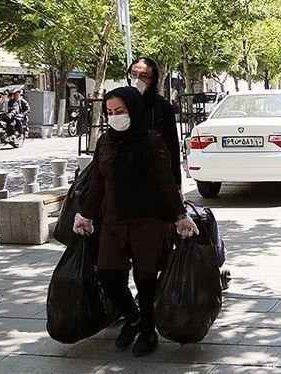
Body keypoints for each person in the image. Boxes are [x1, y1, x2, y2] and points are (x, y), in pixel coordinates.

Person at [72, 87, 200, 355]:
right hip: (114, 221)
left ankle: (148, 331)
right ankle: (133, 318)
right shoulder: (105, 142)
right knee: (107, 273)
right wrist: (86, 215)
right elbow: (97, 183)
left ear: (134, 110)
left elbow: (166, 183)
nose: (114, 117)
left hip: (149, 221)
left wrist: (181, 216)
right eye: (109, 112)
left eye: (119, 111)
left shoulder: (153, 142)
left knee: (146, 279)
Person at [127, 57, 181, 187]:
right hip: (125, 174)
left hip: (154, 176)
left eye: (144, 76)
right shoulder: (120, 101)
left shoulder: (162, 106)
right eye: (133, 75)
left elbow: (172, 145)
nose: (137, 80)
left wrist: (176, 183)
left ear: (153, 79)